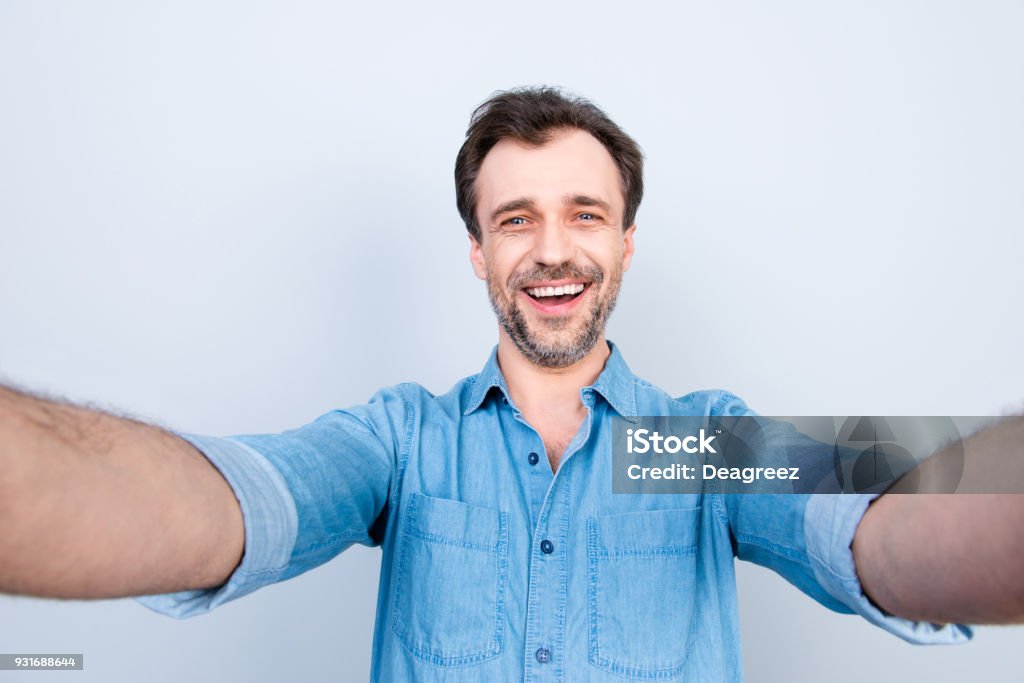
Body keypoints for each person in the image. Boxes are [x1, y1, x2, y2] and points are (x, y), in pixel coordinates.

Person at [1, 86, 1021, 682]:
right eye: (514, 218)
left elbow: (891, 516)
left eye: (583, 212)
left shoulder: (698, 437)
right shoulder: (403, 439)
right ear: (479, 254)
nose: (551, 249)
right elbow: (228, 499)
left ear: (624, 243)